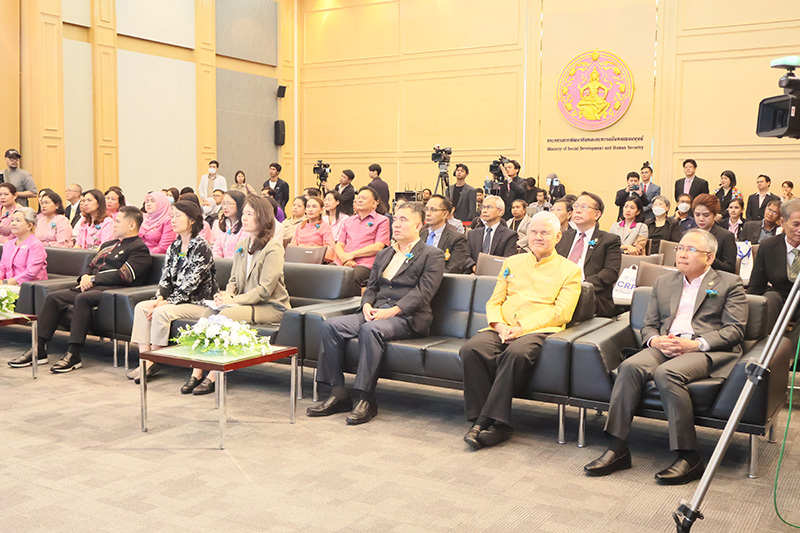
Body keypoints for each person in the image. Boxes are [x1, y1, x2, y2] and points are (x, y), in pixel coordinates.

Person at [584, 229, 747, 485]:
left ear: (710, 257)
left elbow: (735, 330)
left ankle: (688, 455)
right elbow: (648, 325)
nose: (681, 254)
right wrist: (654, 340)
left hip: (704, 349)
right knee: (629, 367)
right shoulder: (664, 282)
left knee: (667, 373)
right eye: (680, 248)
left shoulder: (729, 283)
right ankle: (617, 447)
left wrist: (694, 344)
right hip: (665, 344)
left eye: (690, 250)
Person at [307, 202, 445, 424]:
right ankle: (338, 392)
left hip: (407, 317)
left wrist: (392, 311)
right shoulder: (384, 254)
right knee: (330, 326)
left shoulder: (432, 255)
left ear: (418, 225)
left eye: (403, 220)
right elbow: (370, 287)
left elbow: (423, 293)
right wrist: (367, 305)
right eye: (395, 219)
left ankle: (366, 398)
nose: (396, 224)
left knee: (371, 330)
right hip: (375, 312)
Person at [460, 212, 581, 449]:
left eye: (544, 232)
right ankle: (482, 418)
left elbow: (561, 312)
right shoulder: (511, 262)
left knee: (514, 354)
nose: (538, 237)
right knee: (471, 349)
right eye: (533, 232)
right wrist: (499, 324)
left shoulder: (570, 270)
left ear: (557, 236)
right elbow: (494, 301)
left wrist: (521, 328)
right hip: (502, 327)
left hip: (538, 330)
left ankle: (488, 422)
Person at [8, 206, 152, 371]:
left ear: (132, 225)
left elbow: (125, 275)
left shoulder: (139, 248)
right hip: (91, 286)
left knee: (82, 299)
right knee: (54, 298)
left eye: (118, 221)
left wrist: (93, 278)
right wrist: (85, 276)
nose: (114, 224)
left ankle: (73, 354)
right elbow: (91, 264)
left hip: (113, 291)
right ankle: (38, 348)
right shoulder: (109, 244)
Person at [181, 196, 290, 395]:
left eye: (250, 214)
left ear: (262, 217)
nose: (245, 218)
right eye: (244, 213)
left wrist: (233, 301)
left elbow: (265, 290)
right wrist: (225, 296)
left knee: (224, 316)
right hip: (244, 303)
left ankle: (213, 374)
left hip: (271, 307)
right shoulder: (242, 244)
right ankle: (197, 372)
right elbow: (233, 281)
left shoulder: (273, 247)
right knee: (210, 310)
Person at [128, 201, 218, 383]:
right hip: (176, 300)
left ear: (192, 220)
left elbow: (191, 284)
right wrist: (160, 297)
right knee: (141, 307)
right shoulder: (174, 246)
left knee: (161, 311)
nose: (173, 220)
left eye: (178, 216)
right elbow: (166, 277)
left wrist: (165, 302)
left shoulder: (202, 247)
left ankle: (156, 359)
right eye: (172, 216)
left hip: (198, 303)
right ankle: (145, 359)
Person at [556, 192, 621, 318]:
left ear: (597, 214)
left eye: (584, 207)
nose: (578, 211)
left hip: (590, 295)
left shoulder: (609, 240)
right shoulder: (562, 237)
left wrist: (582, 285)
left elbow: (610, 272)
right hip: (558, 290)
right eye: (575, 207)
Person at [748, 198, 800, 346]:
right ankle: (766, 348)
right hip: (779, 300)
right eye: (796, 224)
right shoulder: (768, 246)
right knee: (770, 298)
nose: (799, 229)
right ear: (782, 222)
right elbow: (756, 285)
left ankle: (786, 353)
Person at [333, 187, 391, 292]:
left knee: (350, 277)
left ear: (375, 203)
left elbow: (378, 246)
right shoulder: (348, 221)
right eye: (358, 198)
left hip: (365, 264)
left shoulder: (382, 221)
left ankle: (353, 307)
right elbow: (339, 244)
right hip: (344, 260)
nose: (359, 200)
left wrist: (352, 255)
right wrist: (344, 258)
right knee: (323, 273)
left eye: (363, 198)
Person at [464, 195, 519, 273]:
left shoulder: (509, 235)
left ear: (500, 211)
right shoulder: (472, 234)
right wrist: (474, 267)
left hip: (497, 275)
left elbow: (508, 260)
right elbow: (465, 256)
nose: (484, 210)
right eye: (483, 207)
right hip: (474, 274)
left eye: (489, 207)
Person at [0, 207, 48, 291]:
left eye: (18, 221)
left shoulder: (35, 245)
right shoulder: (8, 244)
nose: (13, 224)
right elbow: (2, 268)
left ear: (29, 225)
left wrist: (6, 283)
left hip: (29, 287)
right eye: (12, 220)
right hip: (7, 286)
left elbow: (31, 272)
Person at [419, 195, 469, 274]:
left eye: (433, 210)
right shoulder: (419, 235)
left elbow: (454, 268)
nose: (428, 213)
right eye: (426, 209)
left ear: (445, 214)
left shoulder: (457, 238)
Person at [690, 194, 736, 273]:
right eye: (697, 215)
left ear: (714, 215)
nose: (701, 219)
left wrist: (707, 257)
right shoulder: (689, 235)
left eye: (706, 215)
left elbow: (730, 268)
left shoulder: (725, 236)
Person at [291, 196, 335, 261]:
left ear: (322, 210)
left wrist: (312, 250)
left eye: (314, 207)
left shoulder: (324, 226)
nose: (310, 210)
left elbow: (330, 249)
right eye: (308, 207)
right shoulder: (300, 226)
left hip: (317, 262)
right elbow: (293, 246)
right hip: (299, 260)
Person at [211, 190, 248, 258]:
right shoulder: (223, 224)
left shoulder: (245, 226)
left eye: (229, 203)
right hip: (222, 266)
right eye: (223, 203)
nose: (225, 207)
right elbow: (217, 249)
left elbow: (242, 252)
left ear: (239, 205)